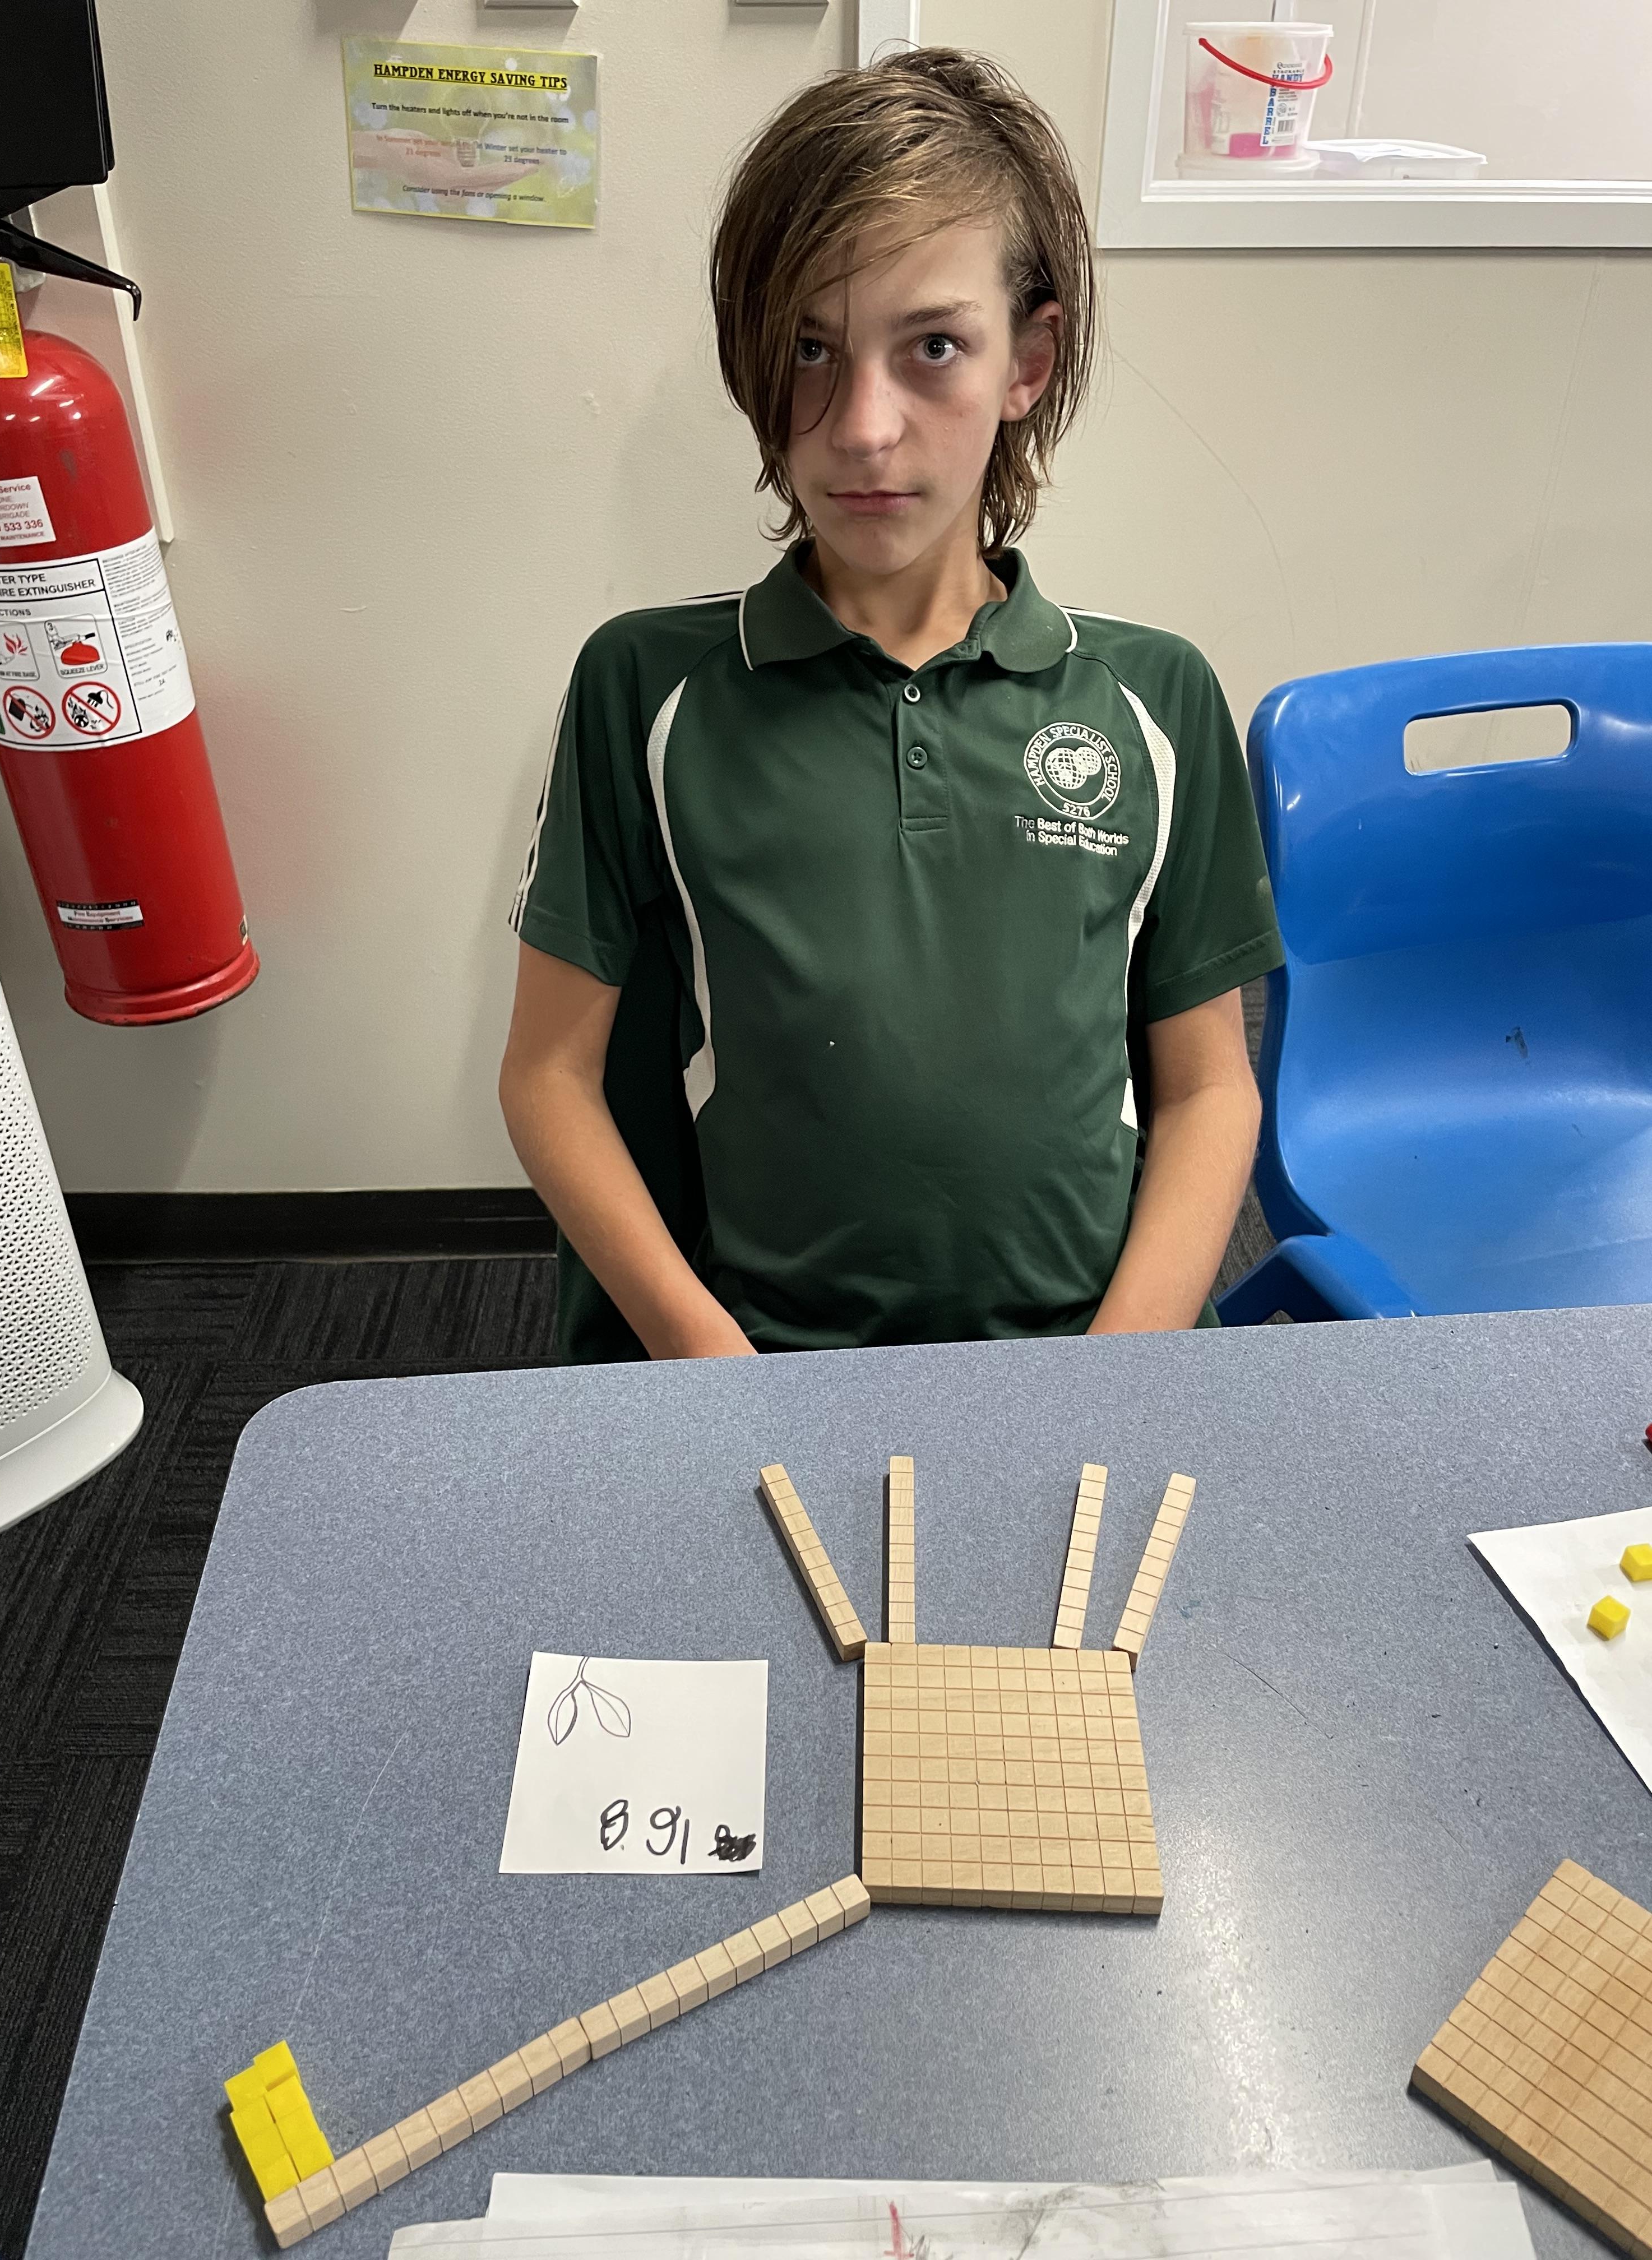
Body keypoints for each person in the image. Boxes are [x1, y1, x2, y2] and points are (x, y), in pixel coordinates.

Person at [499, 48, 1282, 1363]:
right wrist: (713, 1367)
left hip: (1092, 1356)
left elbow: (1209, 1091)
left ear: (1028, 361)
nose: (862, 427)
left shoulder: (1153, 701)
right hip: (765, 1364)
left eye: (933, 348)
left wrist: (1121, 1369)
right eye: (811, 348)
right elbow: (549, 1078)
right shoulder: (647, 690)